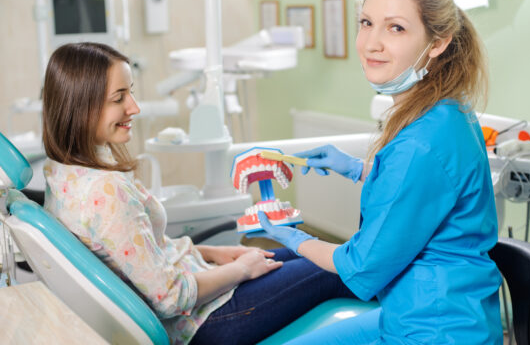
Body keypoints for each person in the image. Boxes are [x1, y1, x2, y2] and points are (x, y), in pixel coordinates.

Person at [41, 42, 355, 345]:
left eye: (131, 92)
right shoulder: (106, 191)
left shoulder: (61, 173)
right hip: (201, 322)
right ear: (80, 106)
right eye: (119, 97)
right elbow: (168, 297)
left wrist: (211, 253)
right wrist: (240, 270)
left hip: (200, 286)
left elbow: (136, 255)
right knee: (339, 267)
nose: (133, 107)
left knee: (312, 250)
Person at [254, 0, 503, 344]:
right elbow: (425, 191)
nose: (372, 43)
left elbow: (361, 265)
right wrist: (357, 169)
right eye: (366, 22)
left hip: (435, 328)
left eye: (396, 28)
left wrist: (292, 238)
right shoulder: (446, 111)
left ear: (437, 43)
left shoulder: (420, 142)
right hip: (424, 311)